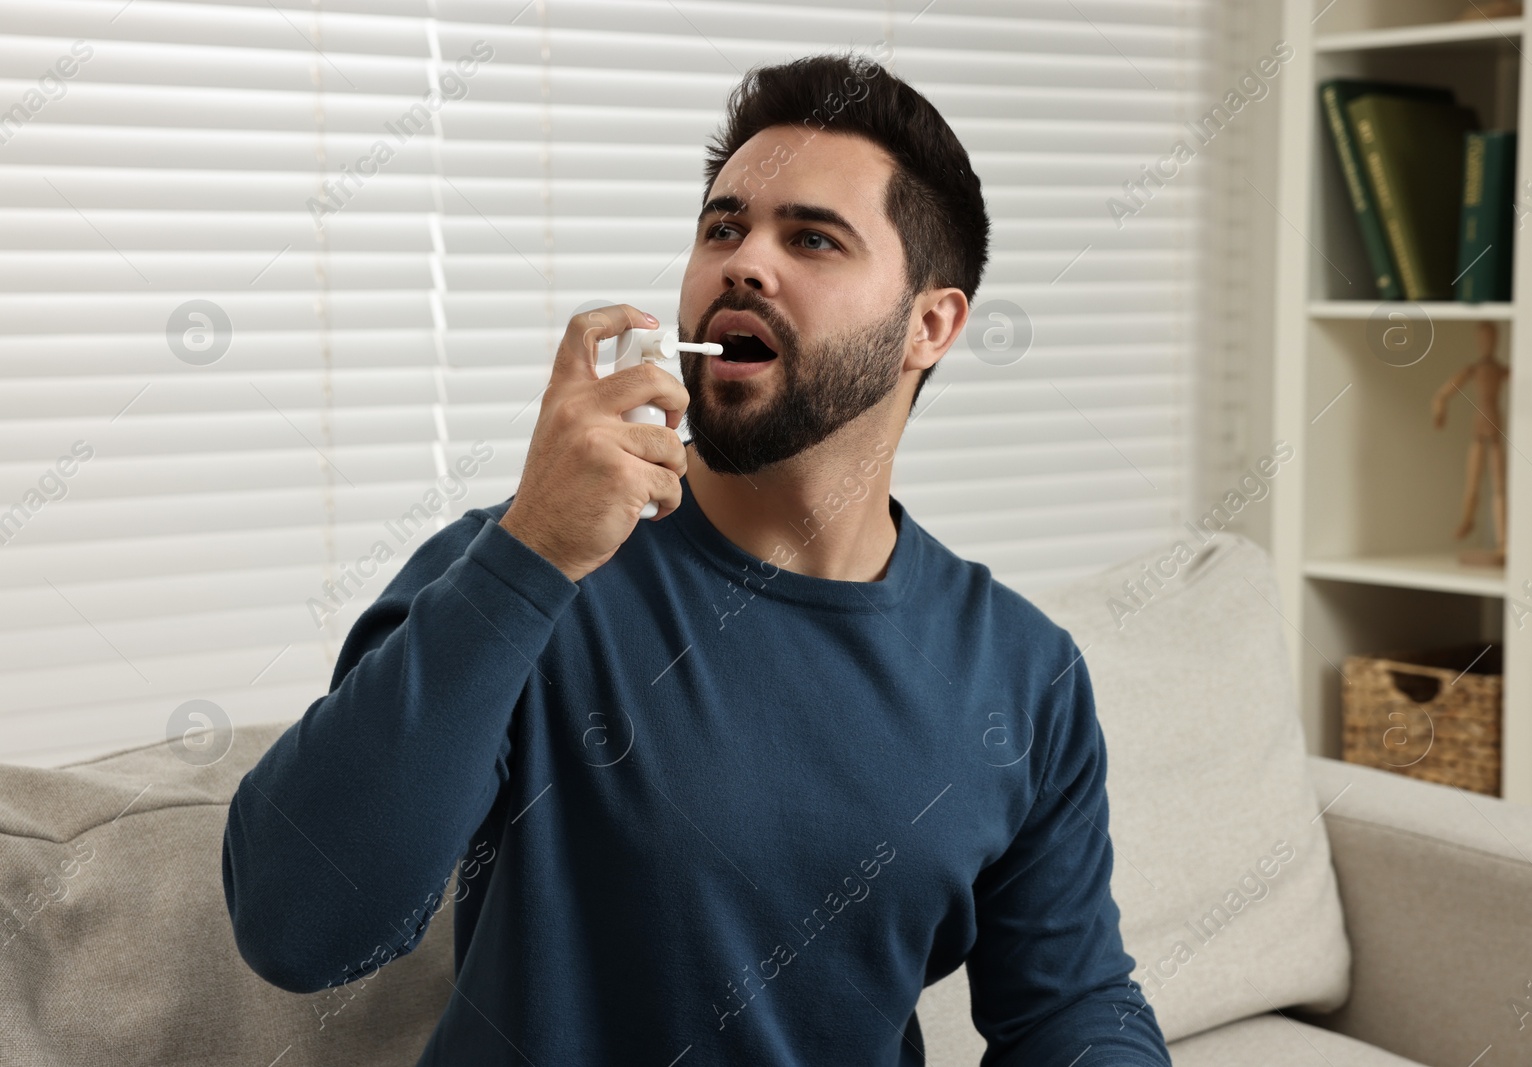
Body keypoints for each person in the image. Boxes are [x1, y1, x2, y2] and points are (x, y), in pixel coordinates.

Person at [221, 51, 1172, 1066]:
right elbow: (298, 926)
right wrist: (528, 555)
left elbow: (1067, 1004)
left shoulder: (1025, 672)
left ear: (928, 325)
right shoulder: (520, 572)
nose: (743, 262)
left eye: (810, 237)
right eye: (723, 227)